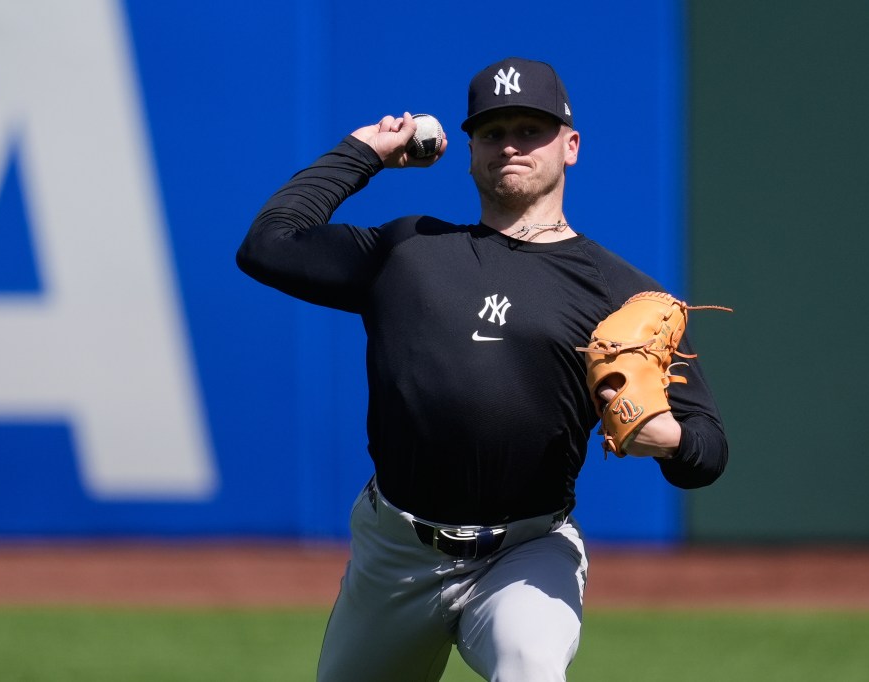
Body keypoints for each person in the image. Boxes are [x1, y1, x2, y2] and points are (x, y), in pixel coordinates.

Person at [237, 56, 727, 682]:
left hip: (526, 552)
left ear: (570, 146)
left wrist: (672, 441)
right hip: (395, 553)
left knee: (529, 666)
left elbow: (710, 448)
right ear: (469, 151)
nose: (511, 145)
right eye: (493, 132)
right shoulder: (407, 250)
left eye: (531, 128)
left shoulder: (622, 295)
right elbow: (267, 245)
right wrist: (361, 152)